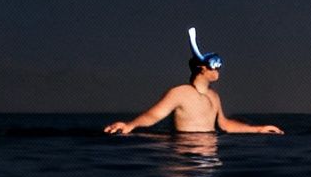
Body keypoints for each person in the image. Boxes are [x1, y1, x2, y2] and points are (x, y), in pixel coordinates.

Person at [102, 38, 283, 135]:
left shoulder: (213, 96)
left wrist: (259, 129)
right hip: (186, 155)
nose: (218, 69)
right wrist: (129, 125)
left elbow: (225, 125)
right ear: (201, 68)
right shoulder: (180, 93)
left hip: (210, 160)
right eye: (214, 65)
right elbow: (154, 115)